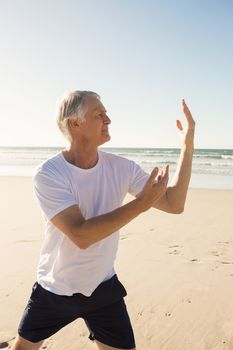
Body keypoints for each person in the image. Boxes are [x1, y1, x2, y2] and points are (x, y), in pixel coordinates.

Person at [11, 90, 195, 350]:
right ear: (74, 123)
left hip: (102, 287)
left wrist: (187, 145)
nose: (108, 120)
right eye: (99, 114)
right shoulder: (49, 174)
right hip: (55, 288)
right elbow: (81, 235)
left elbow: (174, 204)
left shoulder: (122, 168)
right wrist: (142, 204)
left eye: (107, 114)